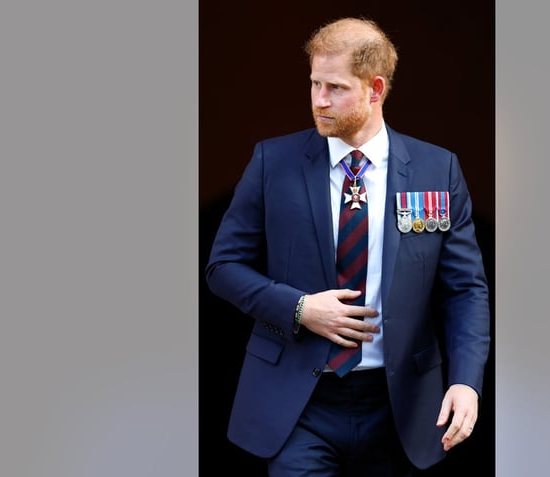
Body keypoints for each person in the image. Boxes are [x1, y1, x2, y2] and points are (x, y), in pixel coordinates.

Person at [205, 17, 491, 477]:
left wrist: (466, 381)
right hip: (299, 403)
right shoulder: (271, 162)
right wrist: (299, 307)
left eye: (335, 88)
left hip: (401, 406)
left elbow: (465, 289)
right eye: (314, 83)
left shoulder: (436, 170)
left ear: (375, 89)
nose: (319, 99)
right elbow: (222, 266)